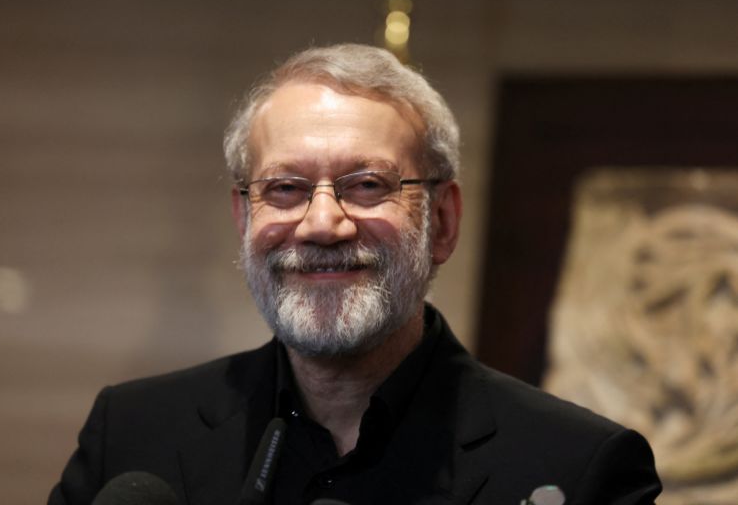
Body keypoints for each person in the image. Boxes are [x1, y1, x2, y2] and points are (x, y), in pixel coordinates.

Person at [49, 44, 661, 505]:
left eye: (367, 185)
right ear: (243, 217)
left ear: (442, 221)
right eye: (285, 188)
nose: (321, 224)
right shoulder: (131, 436)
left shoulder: (580, 469)